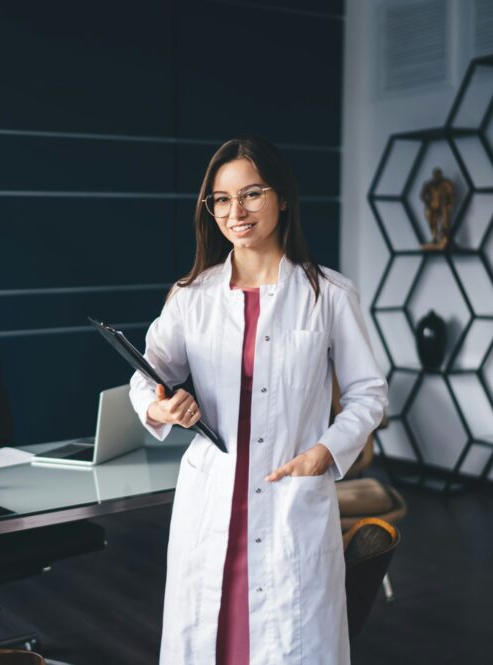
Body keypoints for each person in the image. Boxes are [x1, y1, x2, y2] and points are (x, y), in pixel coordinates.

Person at [128, 135, 387, 664]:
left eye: (251, 194)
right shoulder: (191, 297)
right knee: (212, 642)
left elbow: (368, 393)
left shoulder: (329, 295)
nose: (235, 211)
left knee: (289, 642)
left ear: (283, 198)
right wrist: (161, 407)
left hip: (291, 497)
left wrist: (328, 449)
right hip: (213, 502)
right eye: (221, 199)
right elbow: (147, 378)